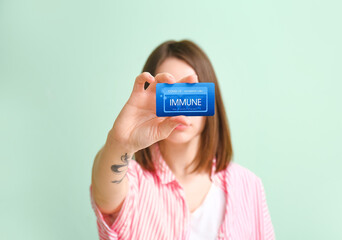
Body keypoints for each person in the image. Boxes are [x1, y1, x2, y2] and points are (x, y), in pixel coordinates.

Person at [90, 40, 275, 240]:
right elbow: (105, 194)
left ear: (208, 101)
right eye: (168, 94)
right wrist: (120, 143)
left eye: (190, 91)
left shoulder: (248, 185)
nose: (181, 109)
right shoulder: (132, 182)